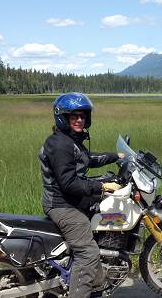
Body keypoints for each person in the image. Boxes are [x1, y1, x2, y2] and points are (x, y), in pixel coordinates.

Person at [39, 92, 121, 298]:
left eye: (83, 116)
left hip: (70, 201)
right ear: (63, 117)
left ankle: (97, 284)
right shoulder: (59, 144)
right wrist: (101, 187)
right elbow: (69, 183)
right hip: (62, 205)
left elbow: (87, 158)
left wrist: (117, 156)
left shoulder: (70, 141)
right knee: (88, 253)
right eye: (74, 116)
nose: (79, 119)